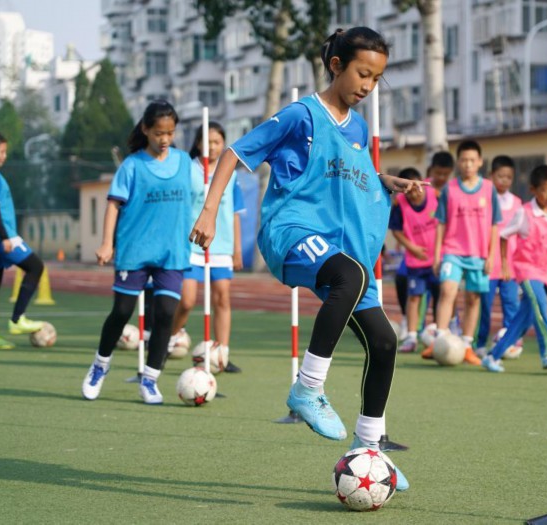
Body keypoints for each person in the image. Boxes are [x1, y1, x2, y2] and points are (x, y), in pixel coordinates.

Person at [190, 27, 414, 490]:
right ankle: (307, 387)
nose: (368, 86)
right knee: (350, 275)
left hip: (339, 245)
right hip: (290, 231)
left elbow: (355, 176)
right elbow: (233, 153)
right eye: (363, 74)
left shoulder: (359, 128)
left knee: (384, 341)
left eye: (376, 79)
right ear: (336, 66)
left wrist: (384, 181)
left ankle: (369, 448)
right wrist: (209, 211)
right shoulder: (300, 115)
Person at [81, 100, 192, 404]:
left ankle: (150, 379)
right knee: (121, 312)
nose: (165, 139)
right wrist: (107, 243)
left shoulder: (184, 162)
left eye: (170, 133)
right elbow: (113, 205)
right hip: (135, 250)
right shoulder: (132, 165)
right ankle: (100, 365)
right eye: (158, 133)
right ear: (145, 129)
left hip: (172, 252)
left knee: (166, 314)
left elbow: (197, 199)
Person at [482, 164, 547, 372]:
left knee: (525, 317)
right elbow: (504, 235)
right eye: (545, 190)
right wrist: (504, 263)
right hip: (527, 269)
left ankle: (493, 356)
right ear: (533, 190)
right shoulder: (524, 212)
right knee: (541, 302)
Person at [168, 121, 244, 372]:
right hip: (191, 246)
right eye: (207, 142)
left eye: (217, 142)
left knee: (222, 298)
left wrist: (237, 250)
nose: (212, 147)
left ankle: (221, 353)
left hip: (221, 247)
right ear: (198, 143)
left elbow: (235, 213)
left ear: (223, 144)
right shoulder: (188, 170)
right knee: (187, 300)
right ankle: (170, 339)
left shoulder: (230, 172)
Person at [425, 140, 501, 364]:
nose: (468, 164)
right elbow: (441, 223)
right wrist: (437, 255)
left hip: (479, 254)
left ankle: (467, 345)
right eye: (464, 160)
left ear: (480, 162)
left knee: (473, 299)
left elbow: (494, 225)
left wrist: (491, 255)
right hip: (452, 251)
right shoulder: (450, 189)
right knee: (447, 291)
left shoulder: (489, 188)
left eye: (472, 160)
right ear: (458, 163)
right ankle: (439, 340)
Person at [0, 132, 45, 350]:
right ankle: (17, 319)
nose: (4, 156)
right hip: (0, 237)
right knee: (35, 267)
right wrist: (4, 237)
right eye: (1, 151)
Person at [389, 167, 440, 353]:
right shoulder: (400, 204)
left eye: (416, 188)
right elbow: (396, 231)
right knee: (414, 298)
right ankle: (411, 337)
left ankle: (442, 333)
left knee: (441, 297)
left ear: (422, 183)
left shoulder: (436, 196)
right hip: (415, 261)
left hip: (438, 259)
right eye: (408, 191)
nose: (413, 194)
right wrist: (412, 248)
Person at [475, 155, 522, 356]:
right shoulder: (483, 200)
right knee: (484, 306)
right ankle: (479, 343)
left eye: (508, 177)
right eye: (500, 176)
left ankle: (512, 342)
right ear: (491, 175)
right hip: (488, 262)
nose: (504, 181)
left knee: (511, 303)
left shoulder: (517, 203)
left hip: (509, 265)